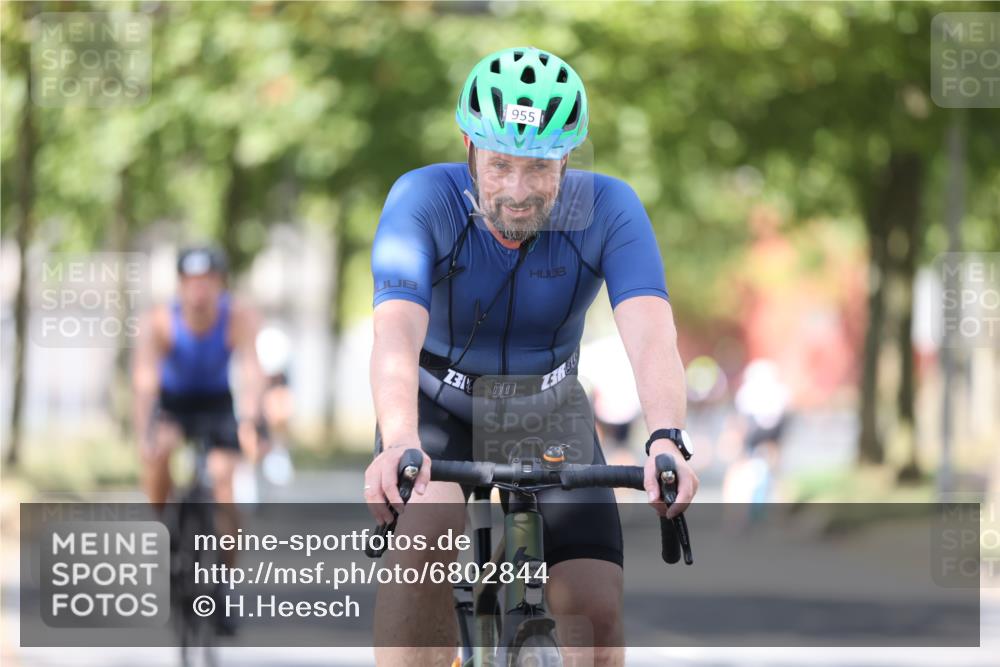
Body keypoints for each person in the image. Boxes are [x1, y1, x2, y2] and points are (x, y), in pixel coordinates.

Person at [365, 47, 698, 667]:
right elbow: (394, 333)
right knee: (422, 546)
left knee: (595, 613)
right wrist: (398, 439)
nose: (517, 192)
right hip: (436, 409)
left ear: (568, 157)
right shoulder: (423, 199)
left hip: (546, 412)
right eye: (499, 166)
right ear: (467, 145)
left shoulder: (607, 208)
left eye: (539, 169)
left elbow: (651, 334)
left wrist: (666, 439)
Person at [131, 245, 266, 622]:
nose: (200, 290)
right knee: (158, 456)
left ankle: (223, 583)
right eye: (191, 282)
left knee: (224, 481)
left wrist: (253, 420)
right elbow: (144, 383)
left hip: (216, 404)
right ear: (180, 285)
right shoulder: (159, 320)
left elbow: (252, 372)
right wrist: (146, 432)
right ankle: (165, 535)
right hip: (174, 404)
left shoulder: (237, 315)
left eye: (208, 281)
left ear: (220, 283)